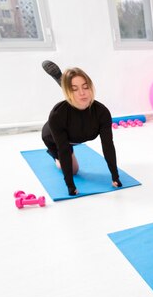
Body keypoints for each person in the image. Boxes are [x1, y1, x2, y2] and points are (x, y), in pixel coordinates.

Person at [40, 61, 122, 196]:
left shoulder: (101, 112)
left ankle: (64, 81)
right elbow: (64, 150)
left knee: (78, 100)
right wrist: (70, 186)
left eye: (86, 87)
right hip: (55, 137)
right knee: (73, 170)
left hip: (78, 132)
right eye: (75, 89)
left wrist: (115, 176)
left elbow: (108, 145)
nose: (83, 93)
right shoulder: (57, 114)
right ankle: (54, 156)